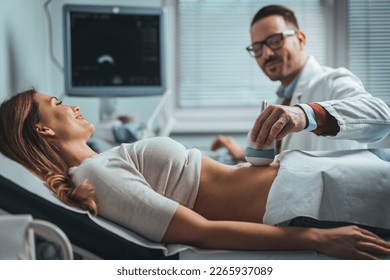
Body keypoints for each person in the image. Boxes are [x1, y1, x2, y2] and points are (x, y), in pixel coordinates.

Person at [1, 89, 390, 260]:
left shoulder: (103, 161)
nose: (71, 106)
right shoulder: (95, 174)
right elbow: (201, 230)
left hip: (304, 179)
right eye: (57, 104)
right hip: (308, 200)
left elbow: (210, 183)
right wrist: (318, 238)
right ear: (42, 130)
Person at [211, 4, 390, 161]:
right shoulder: (284, 100)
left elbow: (382, 118)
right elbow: (287, 159)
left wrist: (304, 115)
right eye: (257, 48)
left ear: (300, 39)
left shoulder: (331, 80)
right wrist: (242, 155)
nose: (267, 54)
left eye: (275, 41)